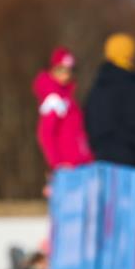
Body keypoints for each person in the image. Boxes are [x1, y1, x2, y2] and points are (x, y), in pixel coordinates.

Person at [32, 46, 93, 190]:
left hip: (80, 163)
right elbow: (45, 134)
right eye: (61, 70)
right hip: (67, 166)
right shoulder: (54, 99)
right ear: (52, 70)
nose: (66, 75)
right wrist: (57, 164)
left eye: (69, 70)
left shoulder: (67, 97)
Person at [85, 33, 135, 167]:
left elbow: (89, 120)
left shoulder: (97, 86)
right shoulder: (129, 85)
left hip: (100, 157)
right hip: (128, 158)